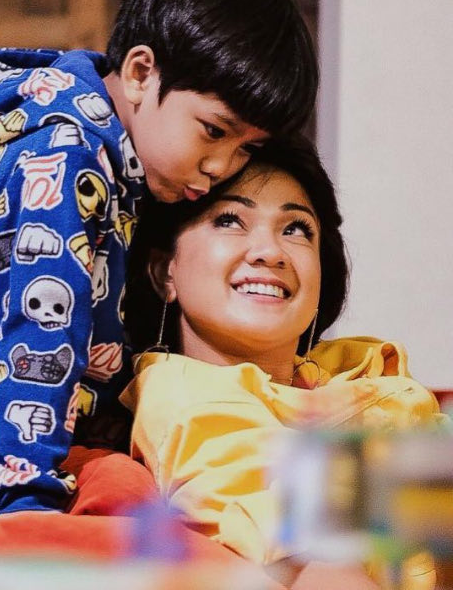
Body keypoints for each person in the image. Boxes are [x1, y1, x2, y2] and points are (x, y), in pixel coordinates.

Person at [0, 0, 318, 520]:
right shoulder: (67, 158)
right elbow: (41, 325)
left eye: (246, 149)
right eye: (214, 131)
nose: (221, 165)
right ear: (140, 74)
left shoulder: (120, 167)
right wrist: (30, 488)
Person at [121, 134, 448, 586]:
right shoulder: (185, 401)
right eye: (230, 220)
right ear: (164, 272)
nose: (271, 252)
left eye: (296, 229)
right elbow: (318, 566)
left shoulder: (357, 370)